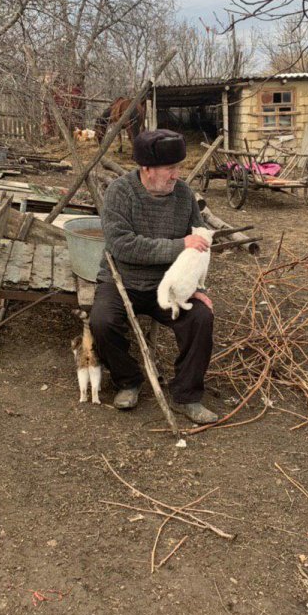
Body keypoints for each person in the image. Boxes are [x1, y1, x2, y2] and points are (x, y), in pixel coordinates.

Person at [90, 129, 218, 424]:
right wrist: (177, 246)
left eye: (178, 167)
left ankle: (187, 395)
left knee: (201, 317)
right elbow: (123, 246)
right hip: (122, 279)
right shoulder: (120, 192)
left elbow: (198, 245)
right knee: (102, 321)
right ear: (146, 169)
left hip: (169, 282)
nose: (177, 175)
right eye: (170, 168)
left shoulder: (184, 196)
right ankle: (128, 380)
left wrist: (194, 285)